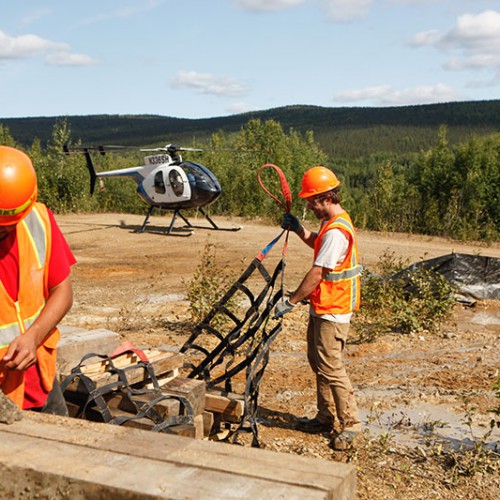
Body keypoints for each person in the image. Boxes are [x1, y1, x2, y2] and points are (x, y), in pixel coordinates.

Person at [274, 166, 362, 451]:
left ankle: (351, 424)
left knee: (331, 367)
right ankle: (325, 417)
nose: (308, 205)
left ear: (326, 197)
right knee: (318, 363)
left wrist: (291, 301)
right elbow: (318, 244)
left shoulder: (337, 230)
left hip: (333, 310)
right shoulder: (330, 223)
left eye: (311, 200)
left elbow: (318, 272)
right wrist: (300, 229)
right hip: (323, 306)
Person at [0, 145, 76, 415]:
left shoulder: (38, 220)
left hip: (41, 382)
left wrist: (33, 337)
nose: (5, 229)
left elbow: (62, 291)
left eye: (10, 223)